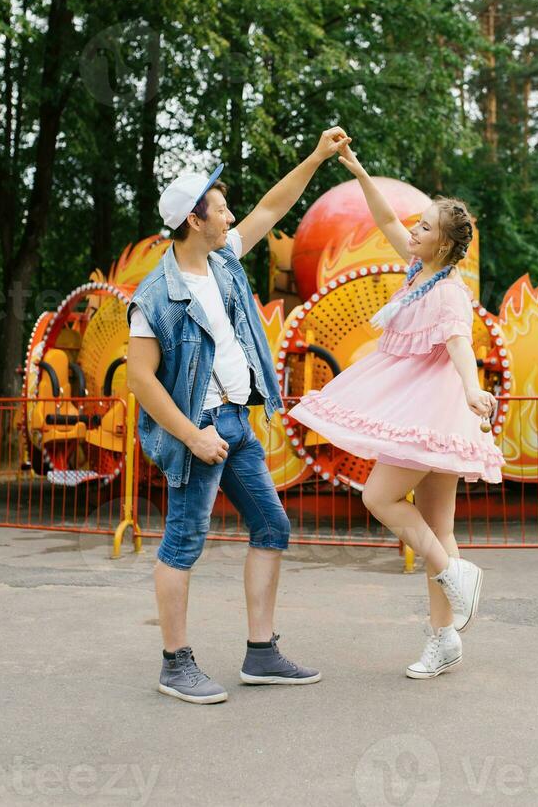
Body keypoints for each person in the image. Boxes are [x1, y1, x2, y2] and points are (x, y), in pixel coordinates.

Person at [127, 126, 351, 704]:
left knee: (273, 527)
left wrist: (318, 154)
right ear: (194, 221)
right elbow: (139, 379)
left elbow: (273, 205)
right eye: (221, 210)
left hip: (236, 423)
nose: (231, 218)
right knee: (182, 545)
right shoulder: (154, 296)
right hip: (196, 433)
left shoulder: (223, 262)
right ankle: (175, 665)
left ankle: (261, 653)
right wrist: (192, 437)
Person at [288, 145, 505, 680]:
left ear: (446, 243)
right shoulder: (416, 271)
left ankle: (454, 573)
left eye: (425, 226)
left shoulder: (450, 292)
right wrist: (360, 170)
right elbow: (385, 215)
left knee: (378, 496)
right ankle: (443, 638)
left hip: (430, 409)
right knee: (437, 524)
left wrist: (474, 390)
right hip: (422, 406)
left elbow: (459, 344)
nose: (414, 229)